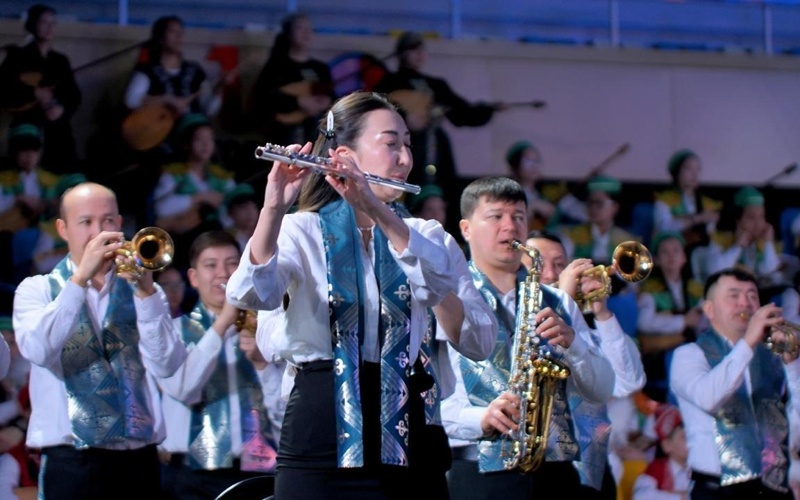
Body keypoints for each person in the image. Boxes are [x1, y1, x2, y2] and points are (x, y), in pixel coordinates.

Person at [226, 91, 481, 500]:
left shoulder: (428, 235)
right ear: (345, 156)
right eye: (391, 144)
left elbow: (452, 308)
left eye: (408, 145)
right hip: (320, 422)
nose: (404, 159)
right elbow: (252, 294)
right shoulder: (301, 230)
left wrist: (379, 212)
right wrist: (273, 206)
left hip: (407, 426)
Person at [441, 176, 616, 499]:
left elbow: (603, 388)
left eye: (519, 217)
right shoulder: (445, 300)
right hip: (481, 474)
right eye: (496, 216)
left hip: (555, 473)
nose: (510, 227)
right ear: (466, 229)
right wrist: (480, 418)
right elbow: (428, 402)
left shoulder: (559, 301)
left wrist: (574, 344)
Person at [11, 181, 187, 498]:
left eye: (107, 220)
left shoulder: (144, 290)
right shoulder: (36, 289)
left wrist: (147, 294)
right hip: (73, 460)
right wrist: (78, 282)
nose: (99, 231)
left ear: (120, 225)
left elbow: (168, 365)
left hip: (139, 457)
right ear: (63, 229)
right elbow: (38, 350)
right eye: (86, 222)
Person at [158, 230, 280, 499]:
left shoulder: (268, 331)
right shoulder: (174, 332)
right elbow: (183, 389)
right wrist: (223, 322)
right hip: (191, 475)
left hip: (259, 470)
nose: (223, 273)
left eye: (232, 263)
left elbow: (286, 412)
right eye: (211, 265)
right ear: (193, 277)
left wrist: (262, 364)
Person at [524, 229, 645, 499]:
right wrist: (563, 296)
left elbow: (629, 383)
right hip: (539, 470)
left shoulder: (587, 335)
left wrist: (602, 312)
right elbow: (539, 359)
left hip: (594, 469)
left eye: (560, 265)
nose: (552, 274)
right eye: (540, 264)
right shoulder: (512, 324)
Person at [670, 268, 800, 499]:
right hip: (718, 490)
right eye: (734, 296)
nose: (745, 304)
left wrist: (791, 367)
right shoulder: (689, 354)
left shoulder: (771, 357)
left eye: (752, 296)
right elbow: (708, 398)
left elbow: (795, 426)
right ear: (709, 309)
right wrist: (749, 341)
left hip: (774, 486)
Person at [374, 31, 507, 236]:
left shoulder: (436, 85)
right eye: (412, 49)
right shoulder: (388, 84)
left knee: (440, 193)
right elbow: (375, 113)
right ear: (401, 53)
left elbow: (462, 113)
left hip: (436, 148)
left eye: (421, 49)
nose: (419, 54)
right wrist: (404, 118)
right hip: (407, 149)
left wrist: (487, 109)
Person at [0, 4, 82, 173]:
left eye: (53, 23)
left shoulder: (60, 60)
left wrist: (61, 109)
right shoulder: (17, 56)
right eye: (44, 22)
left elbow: (73, 95)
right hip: (27, 124)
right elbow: (3, 90)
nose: (49, 27)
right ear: (33, 25)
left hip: (55, 127)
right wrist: (33, 92)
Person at [636, 231, 705, 403]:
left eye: (676, 251)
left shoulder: (696, 289)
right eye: (664, 252)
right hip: (661, 352)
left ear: (684, 257)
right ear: (657, 260)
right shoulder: (649, 290)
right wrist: (683, 321)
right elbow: (645, 323)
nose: (671, 256)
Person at [250, 12, 333, 147]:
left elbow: (331, 97)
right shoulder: (276, 66)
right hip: (282, 131)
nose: (306, 33)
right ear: (288, 33)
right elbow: (263, 99)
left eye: (309, 29)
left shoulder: (321, 68)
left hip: (316, 129)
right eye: (300, 28)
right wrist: (298, 102)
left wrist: (324, 103)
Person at [704, 187, 783, 294]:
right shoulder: (720, 239)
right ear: (738, 219)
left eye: (761, 217)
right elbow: (715, 271)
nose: (758, 223)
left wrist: (769, 244)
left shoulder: (763, 243)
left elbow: (773, 276)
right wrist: (737, 247)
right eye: (751, 217)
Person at [505, 141, 588, 231]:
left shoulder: (542, 195)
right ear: (515, 166)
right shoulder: (508, 194)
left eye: (537, 161)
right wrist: (533, 207)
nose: (534, 166)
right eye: (528, 161)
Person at [559, 174, 637, 265]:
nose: (593, 208)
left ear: (614, 207)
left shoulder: (625, 240)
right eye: (590, 203)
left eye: (599, 204)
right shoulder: (572, 236)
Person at [653, 149, 721, 250]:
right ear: (677, 172)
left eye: (697, 169)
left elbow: (710, 233)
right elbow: (663, 228)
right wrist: (697, 219)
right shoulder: (664, 200)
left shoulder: (706, 203)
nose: (694, 174)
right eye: (688, 169)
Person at [0, 124, 60, 232]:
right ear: (14, 152)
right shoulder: (3, 179)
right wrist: (18, 198)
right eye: (23, 150)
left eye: (34, 149)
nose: (29, 155)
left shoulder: (50, 180)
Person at [632, 404, 690, 500]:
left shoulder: (696, 472)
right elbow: (639, 496)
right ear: (667, 445)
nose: (693, 442)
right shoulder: (657, 468)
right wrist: (679, 497)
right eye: (685, 437)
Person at [224, 183, 260, 252]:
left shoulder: (266, 229)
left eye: (252, 206)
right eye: (243, 207)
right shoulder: (227, 239)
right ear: (231, 213)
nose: (249, 212)